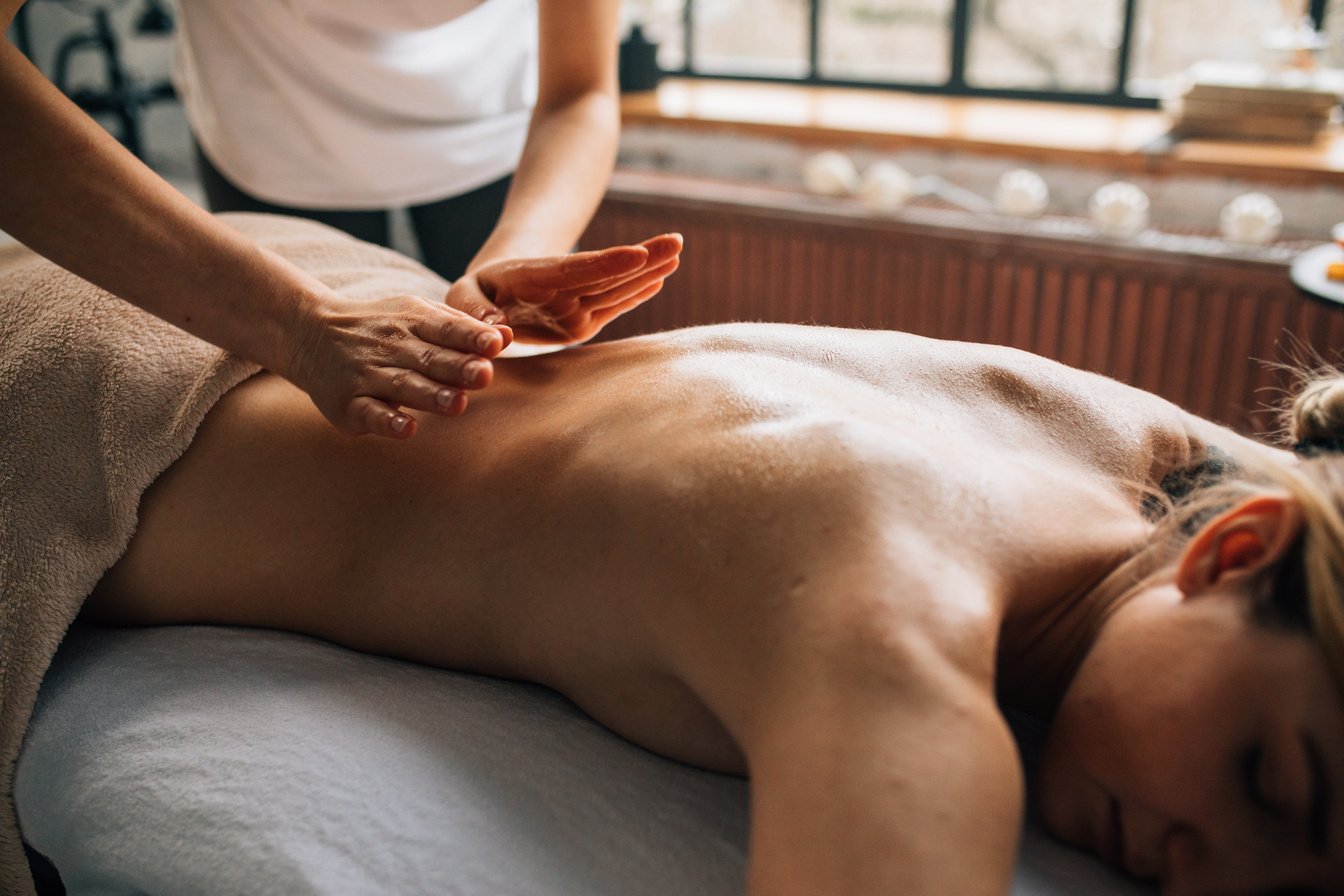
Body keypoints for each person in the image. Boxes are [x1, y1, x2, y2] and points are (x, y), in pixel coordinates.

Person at [74, 228, 1344, 895]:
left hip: (336, 280)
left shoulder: (1147, 446)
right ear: (1234, 551)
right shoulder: (892, 603)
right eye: (1266, 782)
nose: (1213, 875)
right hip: (92, 407)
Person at [0, 0, 653, 441]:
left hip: (488, 131)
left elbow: (580, 90)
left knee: (497, 404)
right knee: (296, 422)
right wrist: (292, 324)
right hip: (269, 123)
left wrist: (519, 250)